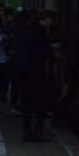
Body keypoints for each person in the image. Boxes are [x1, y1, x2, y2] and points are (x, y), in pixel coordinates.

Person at [14, 8, 58, 142]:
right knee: (41, 102)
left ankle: (27, 132)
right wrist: (52, 50)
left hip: (26, 72)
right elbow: (40, 49)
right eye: (52, 20)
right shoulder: (39, 31)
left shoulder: (29, 29)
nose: (53, 23)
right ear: (45, 18)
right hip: (36, 73)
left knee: (28, 102)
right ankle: (38, 131)